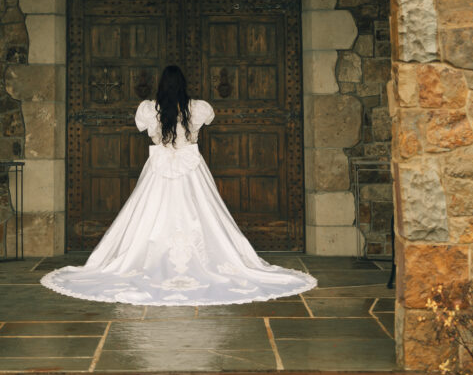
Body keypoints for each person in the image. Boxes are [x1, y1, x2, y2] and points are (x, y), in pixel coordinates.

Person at [40, 65, 316, 305]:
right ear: (183, 85)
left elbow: (148, 129)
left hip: (160, 167)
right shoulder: (196, 108)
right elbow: (207, 120)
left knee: (149, 215)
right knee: (202, 214)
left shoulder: (150, 109)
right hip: (190, 167)